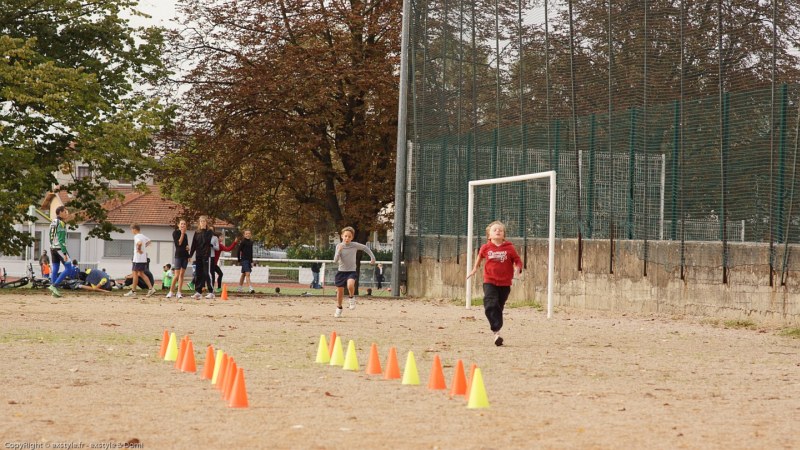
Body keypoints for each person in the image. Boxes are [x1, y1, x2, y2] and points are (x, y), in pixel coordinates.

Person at [466, 220, 522, 346]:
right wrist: (475, 268)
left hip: (505, 283)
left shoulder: (509, 248)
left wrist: (518, 268)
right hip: (489, 281)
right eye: (495, 230)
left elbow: (517, 260)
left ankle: (497, 329)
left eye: (500, 230)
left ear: (503, 235)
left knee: (498, 306)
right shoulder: (486, 247)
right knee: (490, 303)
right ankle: (496, 331)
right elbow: (480, 256)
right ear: (489, 235)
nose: (498, 231)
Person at [332, 226, 375, 318]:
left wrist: (372, 257)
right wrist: (338, 252)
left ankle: (351, 298)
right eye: (345, 236)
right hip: (341, 272)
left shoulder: (355, 245)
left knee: (350, 285)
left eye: (349, 236)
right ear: (342, 236)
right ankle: (339, 308)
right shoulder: (339, 246)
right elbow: (335, 260)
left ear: (352, 237)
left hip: (351, 271)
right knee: (340, 292)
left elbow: (365, 248)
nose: (347, 238)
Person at [48, 206, 74, 298]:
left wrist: (52, 245)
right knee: (69, 268)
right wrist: (64, 252)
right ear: (60, 213)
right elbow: (61, 238)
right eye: (65, 212)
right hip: (59, 248)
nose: (67, 214)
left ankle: (54, 292)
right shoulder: (61, 223)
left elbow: (50, 235)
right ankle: (54, 286)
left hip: (52, 248)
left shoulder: (53, 222)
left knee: (55, 268)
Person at [124, 223, 156, 297]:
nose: (131, 231)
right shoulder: (143, 236)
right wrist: (144, 248)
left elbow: (139, 243)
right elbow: (149, 241)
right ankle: (150, 289)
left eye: (131, 230)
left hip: (138, 258)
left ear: (134, 229)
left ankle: (134, 291)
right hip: (142, 258)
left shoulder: (136, 236)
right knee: (141, 274)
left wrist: (139, 249)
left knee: (135, 274)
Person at [189, 215, 215, 299]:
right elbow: (194, 244)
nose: (202, 223)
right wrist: (190, 255)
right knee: (198, 274)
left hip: (206, 255)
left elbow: (206, 241)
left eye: (204, 221)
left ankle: (211, 292)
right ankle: (198, 292)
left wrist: (204, 230)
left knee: (207, 273)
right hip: (198, 255)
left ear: (206, 223)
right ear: (199, 223)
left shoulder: (209, 232)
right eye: (201, 221)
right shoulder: (197, 232)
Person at [166, 219, 190, 299]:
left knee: (182, 275)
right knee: (176, 275)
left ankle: (179, 292)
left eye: (184, 224)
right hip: (178, 256)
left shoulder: (186, 235)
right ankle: (171, 292)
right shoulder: (175, 233)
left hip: (185, 256)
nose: (183, 225)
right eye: (181, 224)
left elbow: (186, 245)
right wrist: (182, 233)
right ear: (178, 225)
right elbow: (179, 243)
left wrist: (188, 251)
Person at [237, 229, 254, 294]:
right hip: (244, 260)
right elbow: (239, 250)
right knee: (248, 274)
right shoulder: (243, 242)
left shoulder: (251, 242)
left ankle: (240, 287)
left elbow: (251, 252)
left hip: (249, 260)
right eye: (246, 234)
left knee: (244, 274)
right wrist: (239, 259)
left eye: (249, 233)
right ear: (244, 235)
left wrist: (251, 261)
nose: (248, 235)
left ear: (250, 234)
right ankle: (250, 288)